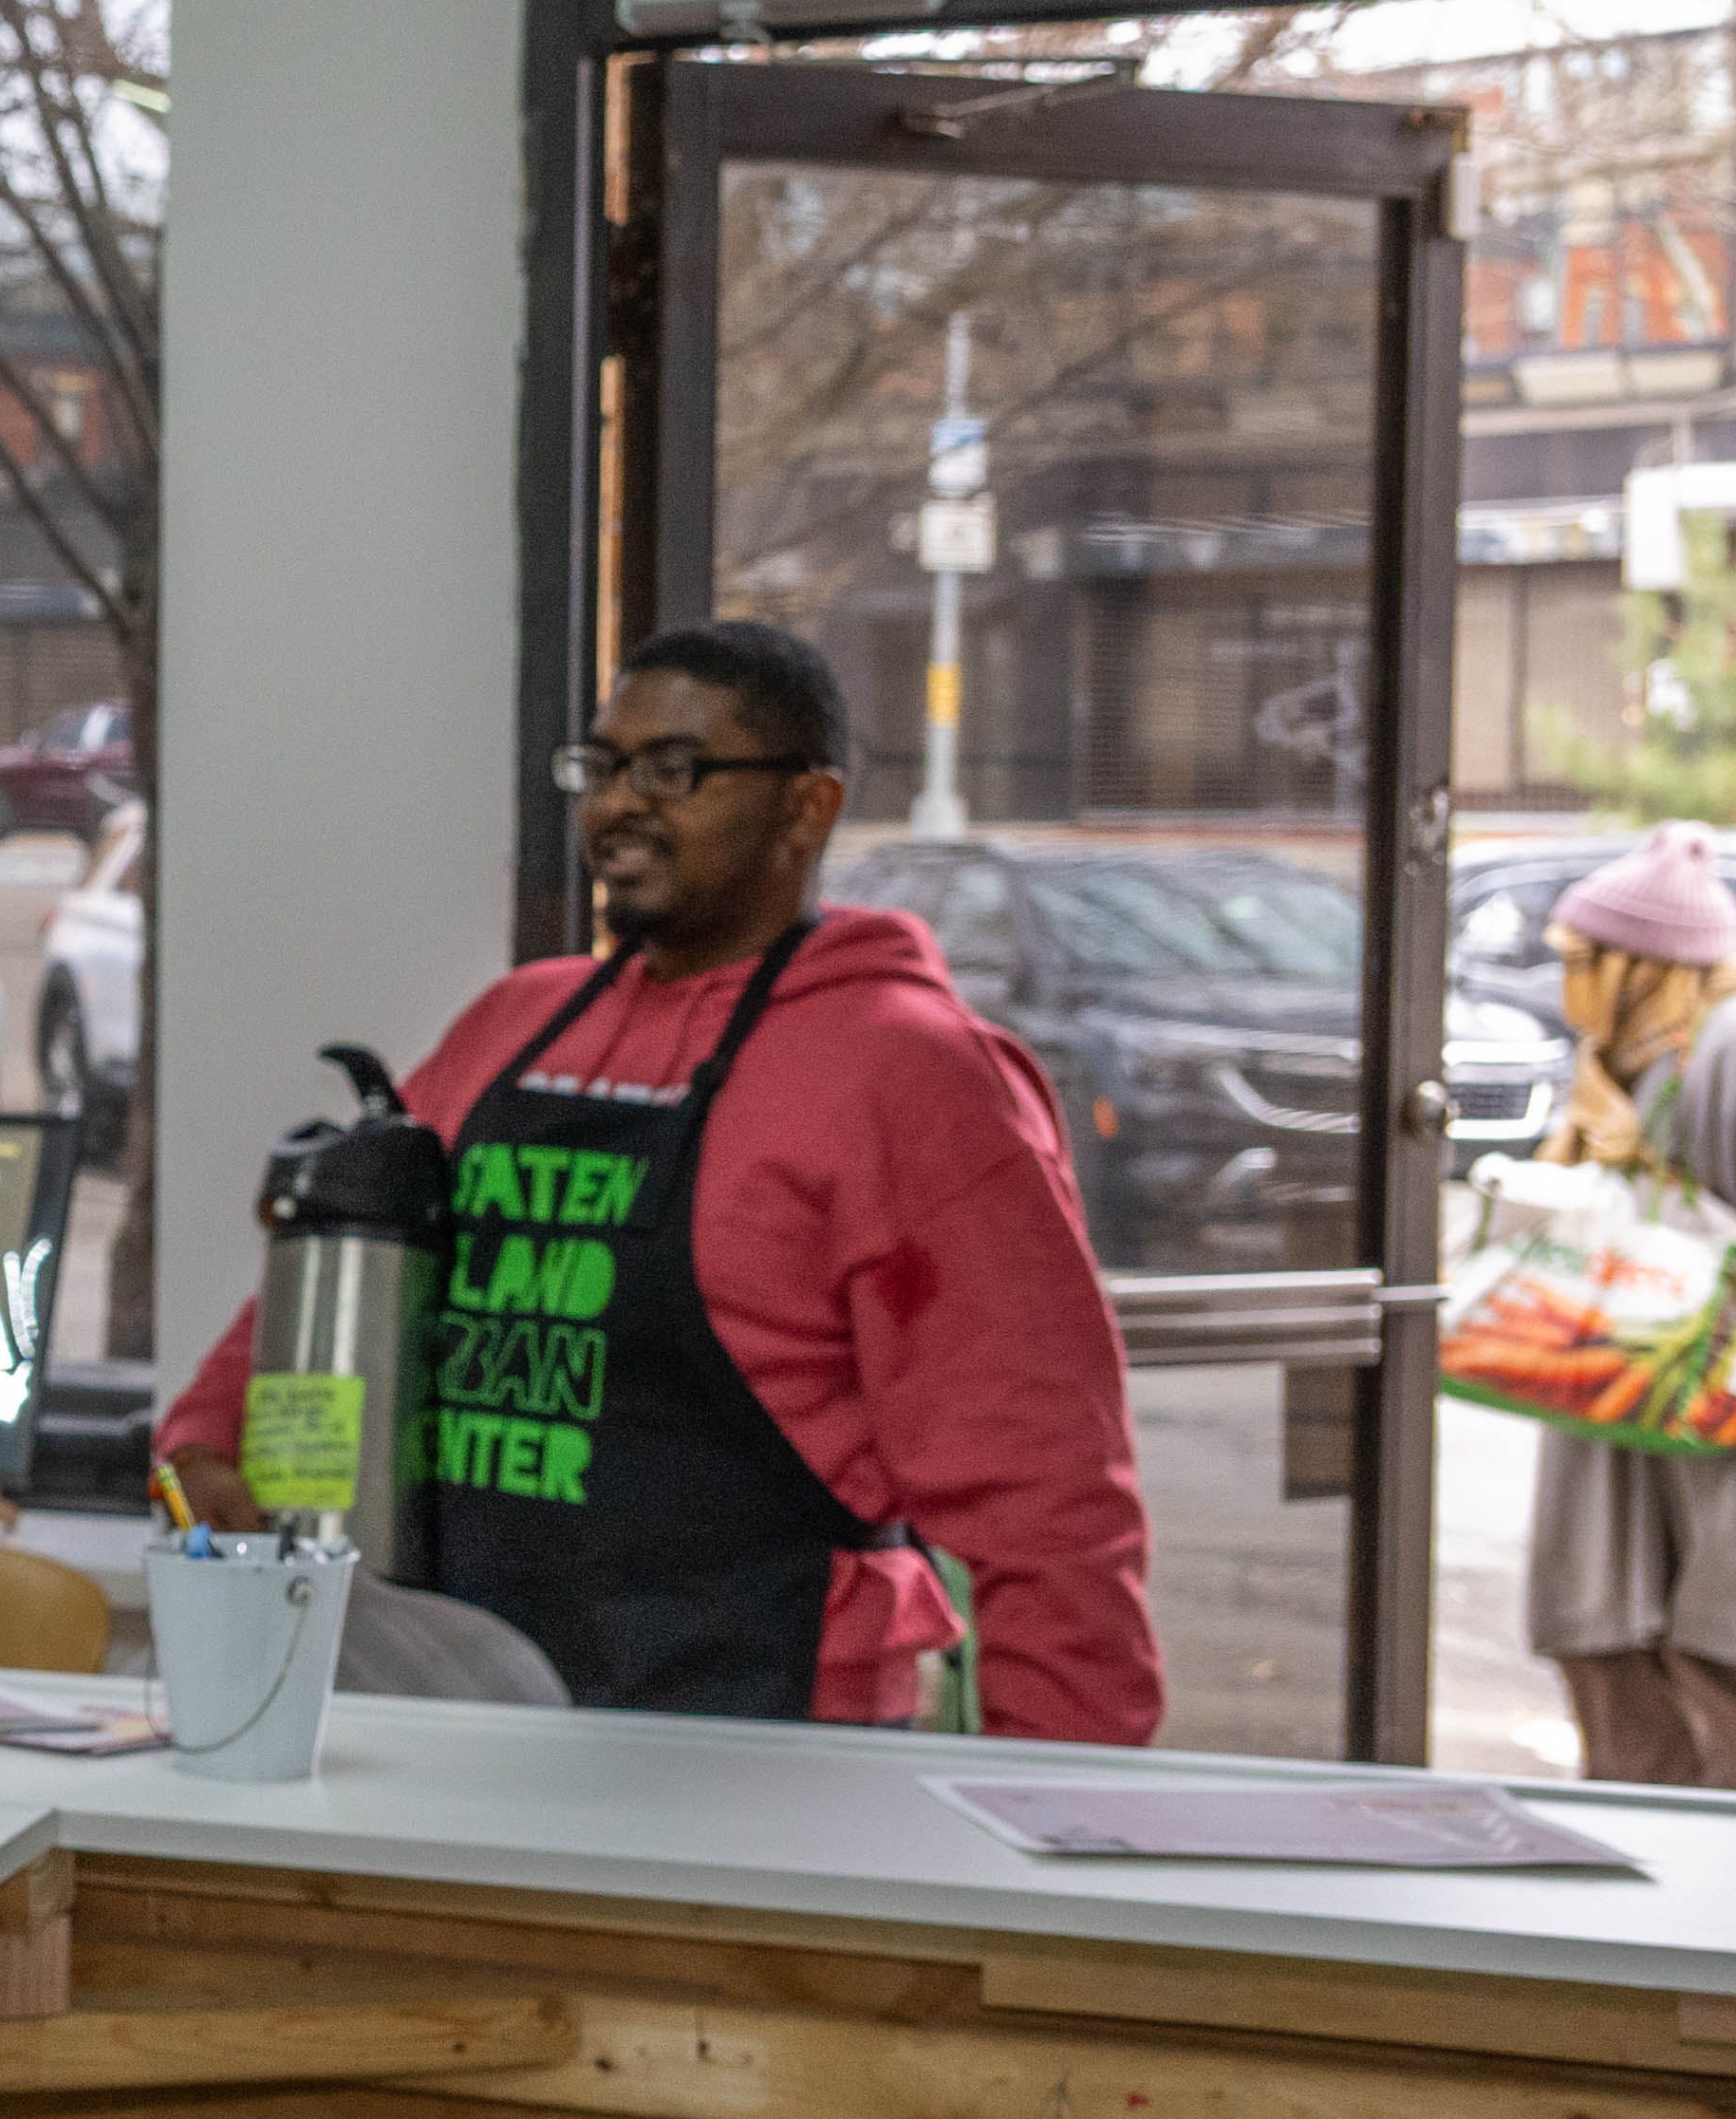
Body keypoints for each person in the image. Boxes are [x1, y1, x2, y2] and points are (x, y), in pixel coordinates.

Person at [160, 619, 1158, 1739]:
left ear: (807, 807)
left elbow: (1048, 1499)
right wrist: (203, 1437)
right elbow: (340, 1273)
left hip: (765, 1743)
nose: (619, 803)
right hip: (458, 1709)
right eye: (605, 766)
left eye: (675, 770)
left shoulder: (913, 1075)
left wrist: (1072, 1818)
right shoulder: (514, 1025)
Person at [1521, 823, 1736, 1791]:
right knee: (1625, 1664)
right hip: (1634, 1407)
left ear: (1639, 963)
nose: (1566, 980)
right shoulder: (1631, 1056)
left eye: (1579, 960)